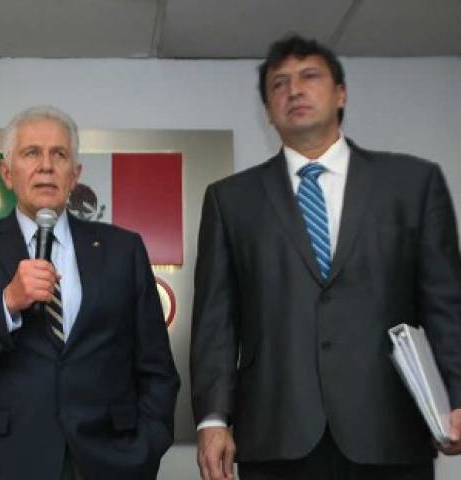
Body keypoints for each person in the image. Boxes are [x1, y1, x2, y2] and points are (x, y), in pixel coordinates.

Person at [190, 35, 461, 480]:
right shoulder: (230, 200)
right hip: (276, 434)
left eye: (309, 76)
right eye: (279, 83)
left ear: (341, 94)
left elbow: (445, 303)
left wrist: (456, 395)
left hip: (389, 430)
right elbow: (216, 321)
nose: (294, 90)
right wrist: (213, 419)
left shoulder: (412, 184)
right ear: (268, 111)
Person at [0, 105, 179, 479]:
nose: (46, 166)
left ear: (75, 175)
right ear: (6, 173)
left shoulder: (123, 250)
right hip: (3, 464)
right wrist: (7, 303)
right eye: (31, 153)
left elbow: (157, 368)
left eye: (59, 154)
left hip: (109, 464)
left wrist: (145, 449)